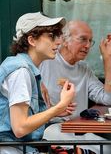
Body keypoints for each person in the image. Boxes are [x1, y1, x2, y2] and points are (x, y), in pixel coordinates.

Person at [0, 12, 75, 154]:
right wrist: (59, 107)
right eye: (51, 36)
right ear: (32, 40)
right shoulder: (21, 71)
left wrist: (52, 113)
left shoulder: (23, 67)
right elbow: (20, 128)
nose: (58, 42)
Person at [39, 20, 111, 154]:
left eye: (90, 41)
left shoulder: (83, 69)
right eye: (82, 39)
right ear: (64, 40)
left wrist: (108, 58)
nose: (87, 45)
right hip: (50, 130)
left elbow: (109, 99)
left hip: (77, 131)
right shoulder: (45, 61)